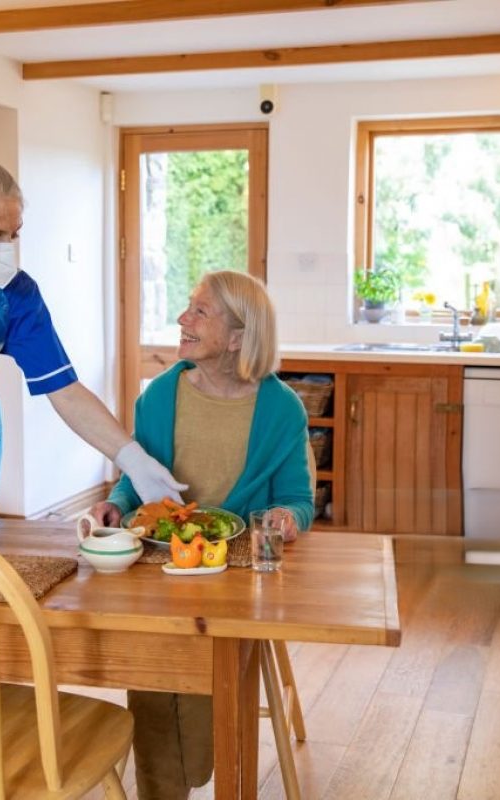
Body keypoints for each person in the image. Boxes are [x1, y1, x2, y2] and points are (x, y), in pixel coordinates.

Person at [89, 269, 314, 800]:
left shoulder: (281, 408)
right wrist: (116, 506)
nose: (182, 319)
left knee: (195, 669)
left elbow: (298, 500)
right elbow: (135, 479)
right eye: (188, 307)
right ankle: (160, 789)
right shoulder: (161, 396)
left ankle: (187, 772)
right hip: (161, 561)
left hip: (233, 571)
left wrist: (287, 519)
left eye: (200, 312)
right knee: (149, 664)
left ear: (238, 337)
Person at [0, 156, 185, 518]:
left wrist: (132, 459)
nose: (7, 246)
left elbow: (65, 390)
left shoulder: (13, 295)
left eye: (14, 233)